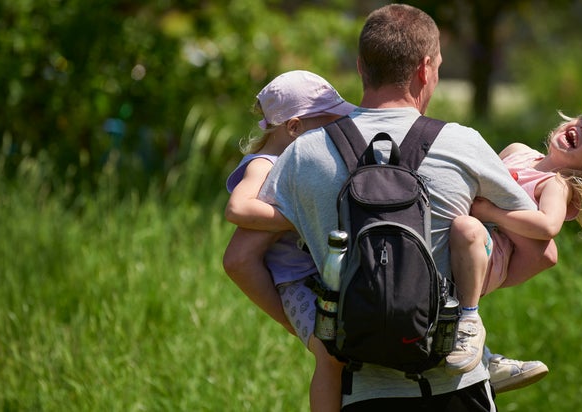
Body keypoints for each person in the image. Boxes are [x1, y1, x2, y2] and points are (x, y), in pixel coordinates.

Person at [227, 4, 556, 410]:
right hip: (457, 383)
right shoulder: (463, 144)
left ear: (363, 68)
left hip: (363, 389)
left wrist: (316, 333)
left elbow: (239, 258)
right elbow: (543, 252)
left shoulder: (302, 155)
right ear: (425, 69)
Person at [448, 97, 582, 382]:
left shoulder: (556, 185)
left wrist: (493, 213)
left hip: (490, 250)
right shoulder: (518, 151)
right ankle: (484, 360)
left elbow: (548, 225)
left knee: (466, 230)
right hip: (472, 237)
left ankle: (471, 322)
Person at [224, 70, 356, 412]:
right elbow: (238, 207)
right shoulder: (265, 164)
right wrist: (298, 216)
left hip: (317, 277)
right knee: (329, 356)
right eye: (326, 125)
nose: (334, 133)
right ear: (294, 128)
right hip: (295, 283)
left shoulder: (293, 163)